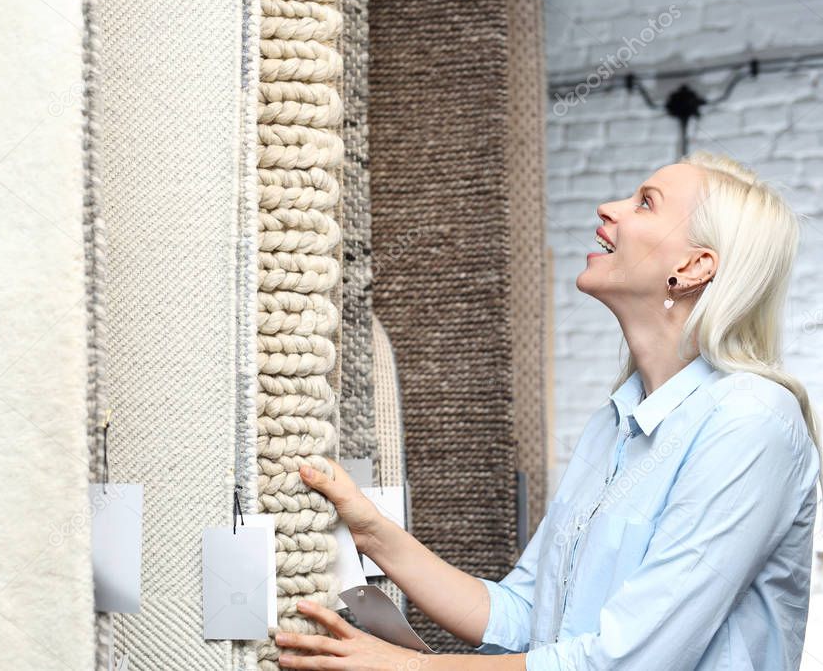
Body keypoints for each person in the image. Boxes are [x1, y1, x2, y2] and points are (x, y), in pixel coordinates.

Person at [271, 151, 822, 670]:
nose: (609, 209)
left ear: (695, 265)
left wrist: (412, 667)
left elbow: (629, 660)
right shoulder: (616, 423)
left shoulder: (752, 421)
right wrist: (372, 532)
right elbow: (522, 616)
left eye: (645, 202)